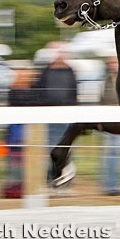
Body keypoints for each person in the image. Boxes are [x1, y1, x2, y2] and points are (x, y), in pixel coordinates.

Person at [33, 45, 78, 184]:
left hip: (67, 116)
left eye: (63, 52)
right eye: (58, 52)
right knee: (49, 149)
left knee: (67, 149)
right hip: (49, 116)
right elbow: (38, 91)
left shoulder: (71, 71)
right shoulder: (45, 72)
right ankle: (50, 178)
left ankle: (64, 181)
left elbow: (74, 93)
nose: (61, 55)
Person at [100, 56, 120, 196]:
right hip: (110, 120)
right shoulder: (105, 80)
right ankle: (110, 185)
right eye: (111, 63)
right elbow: (102, 100)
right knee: (113, 152)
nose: (113, 65)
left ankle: (115, 183)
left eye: (115, 62)